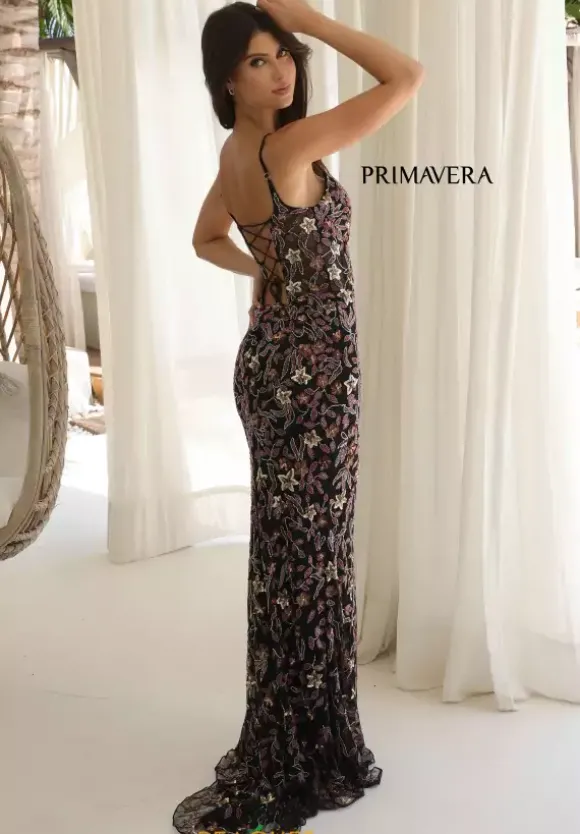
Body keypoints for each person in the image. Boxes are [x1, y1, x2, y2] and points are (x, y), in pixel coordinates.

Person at [173, 1, 424, 832]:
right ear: (226, 80)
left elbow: (207, 235)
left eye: (284, 53)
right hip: (311, 382)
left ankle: (295, 735)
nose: (281, 69)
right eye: (259, 60)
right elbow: (406, 75)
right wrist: (312, 19)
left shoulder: (241, 152)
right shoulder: (287, 148)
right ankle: (304, 750)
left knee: (293, 560)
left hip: (278, 369)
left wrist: (265, 273)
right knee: (311, 561)